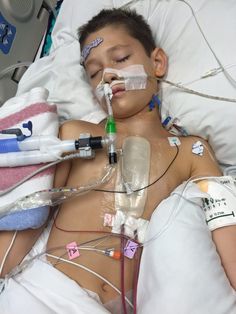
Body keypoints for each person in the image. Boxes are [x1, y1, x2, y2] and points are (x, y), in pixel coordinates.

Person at [1, 8, 236, 314]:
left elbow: (226, 236)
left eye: (121, 59)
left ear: (157, 62)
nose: (108, 76)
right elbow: (28, 221)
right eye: (95, 72)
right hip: (40, 291)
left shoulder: (192, 152)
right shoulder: (76, 135)